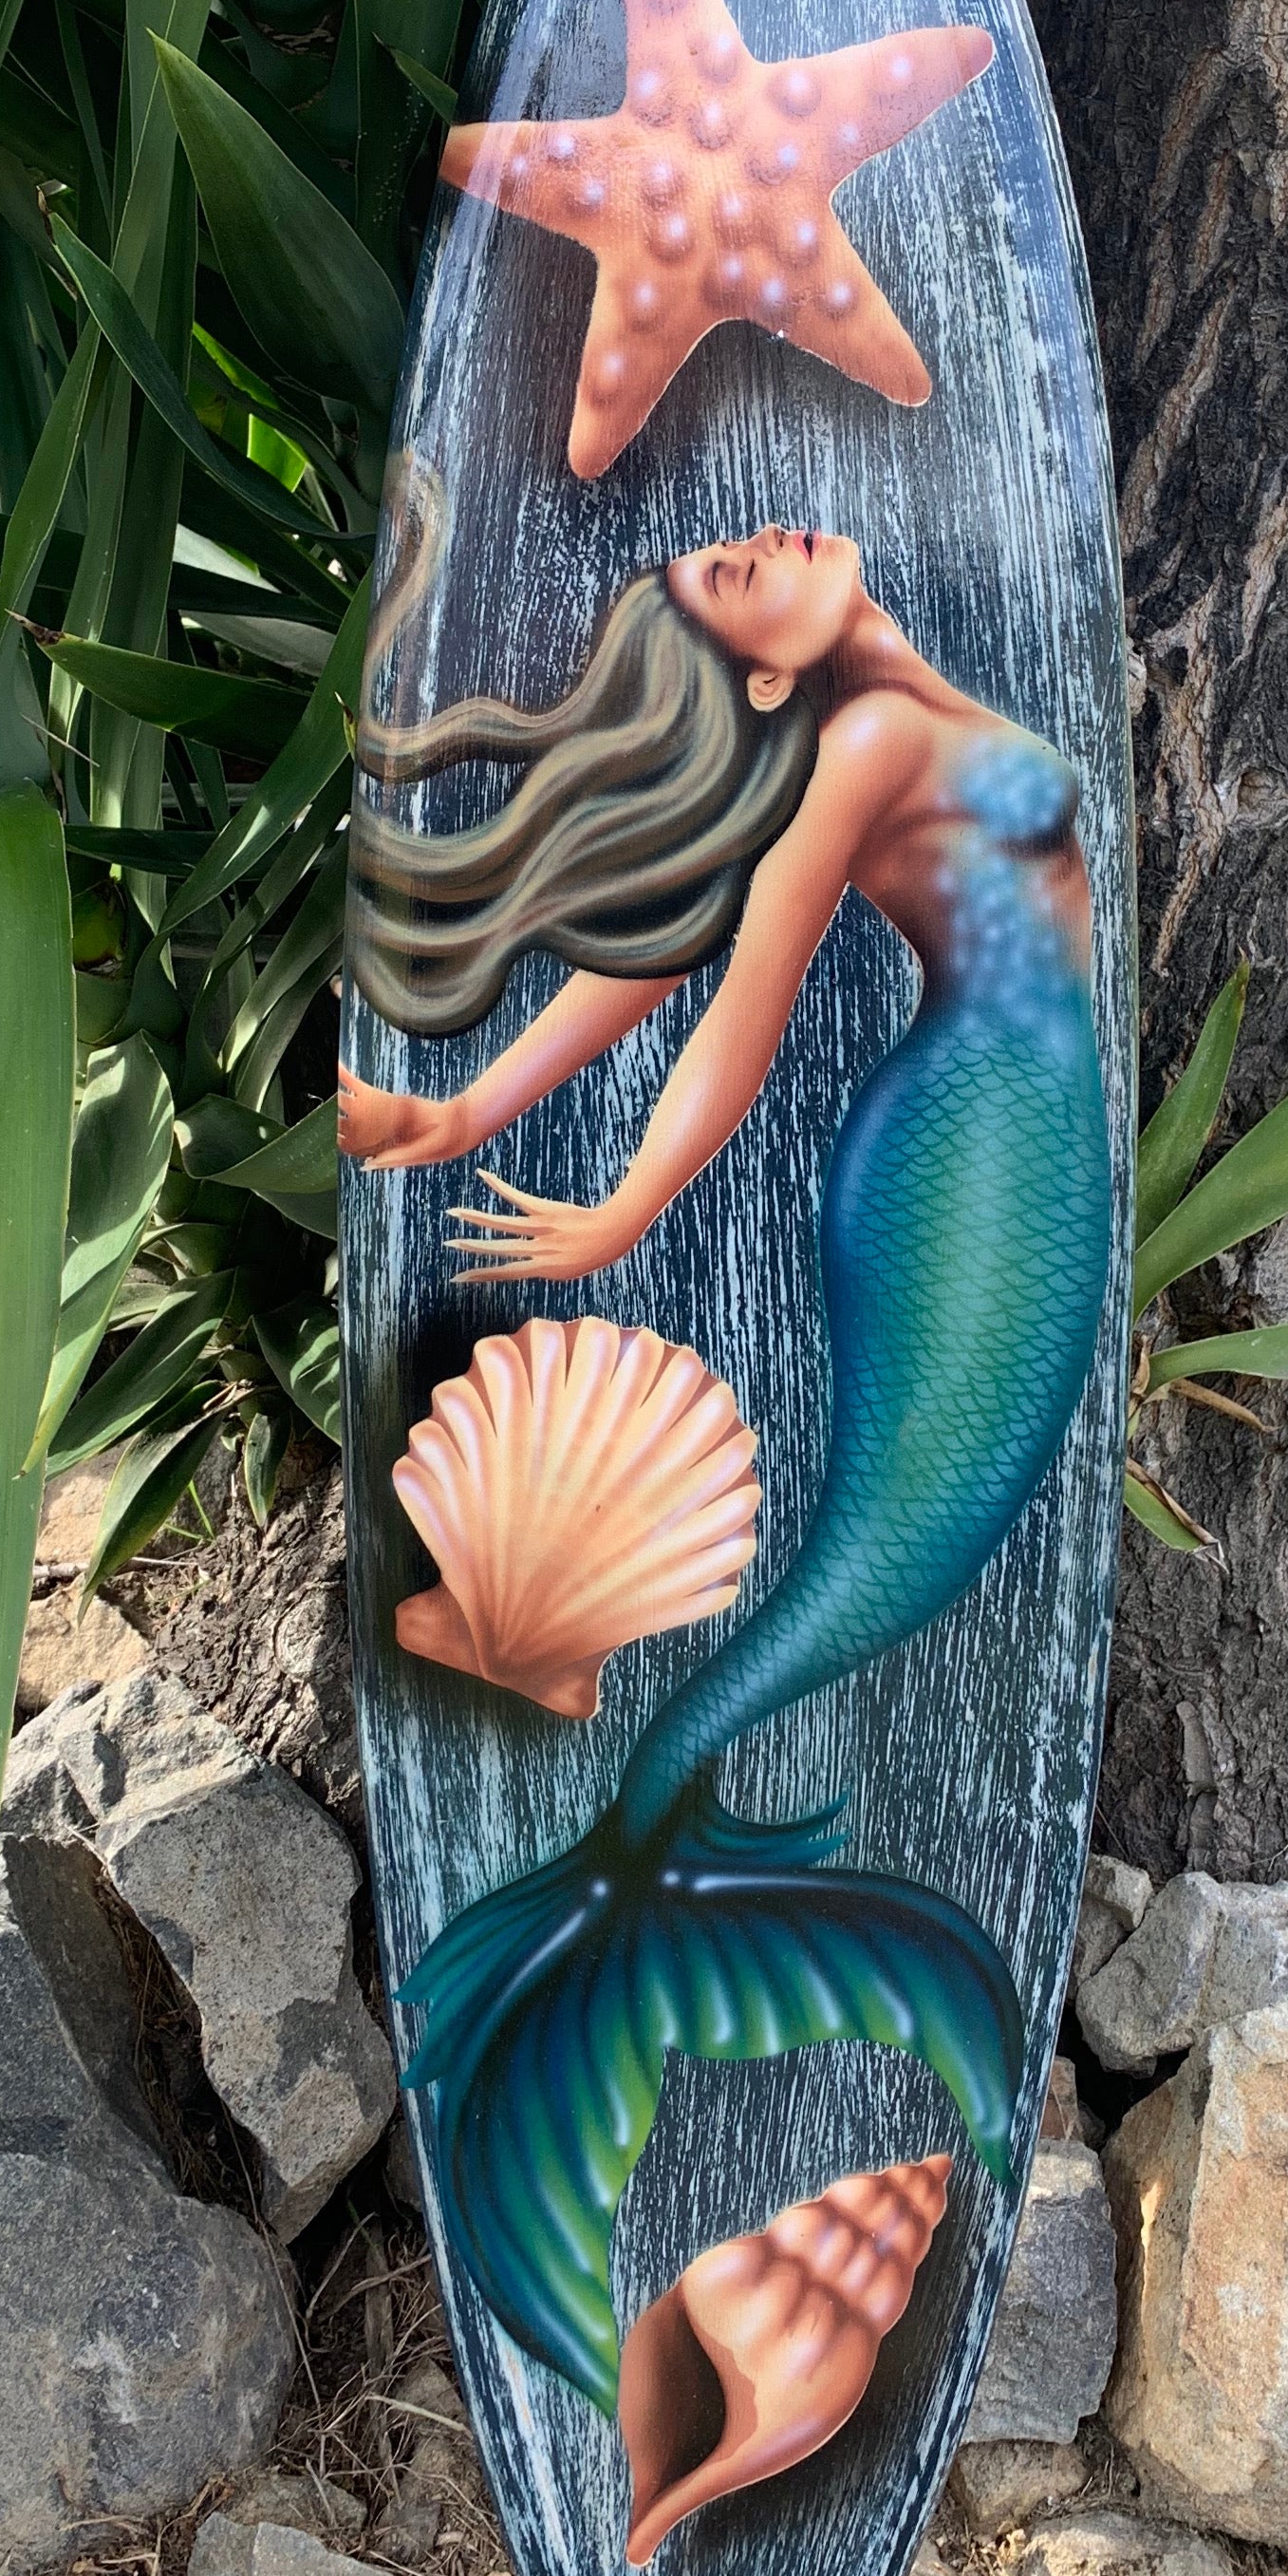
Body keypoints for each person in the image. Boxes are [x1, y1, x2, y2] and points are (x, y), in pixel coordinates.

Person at [341, 519, 1114, 2416]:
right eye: (724, 589)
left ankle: (663, 1860)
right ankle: (651, 1881)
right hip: (974, 1153)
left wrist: (467, 1100)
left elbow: (653, 933)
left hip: (1030, 1134)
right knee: (902, 1553)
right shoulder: (856, 754)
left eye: (736, 555)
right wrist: (602, 1193)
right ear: (766, 672)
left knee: (920, 1553)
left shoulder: (874, 712)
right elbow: (737, 998)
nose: (743, 548)